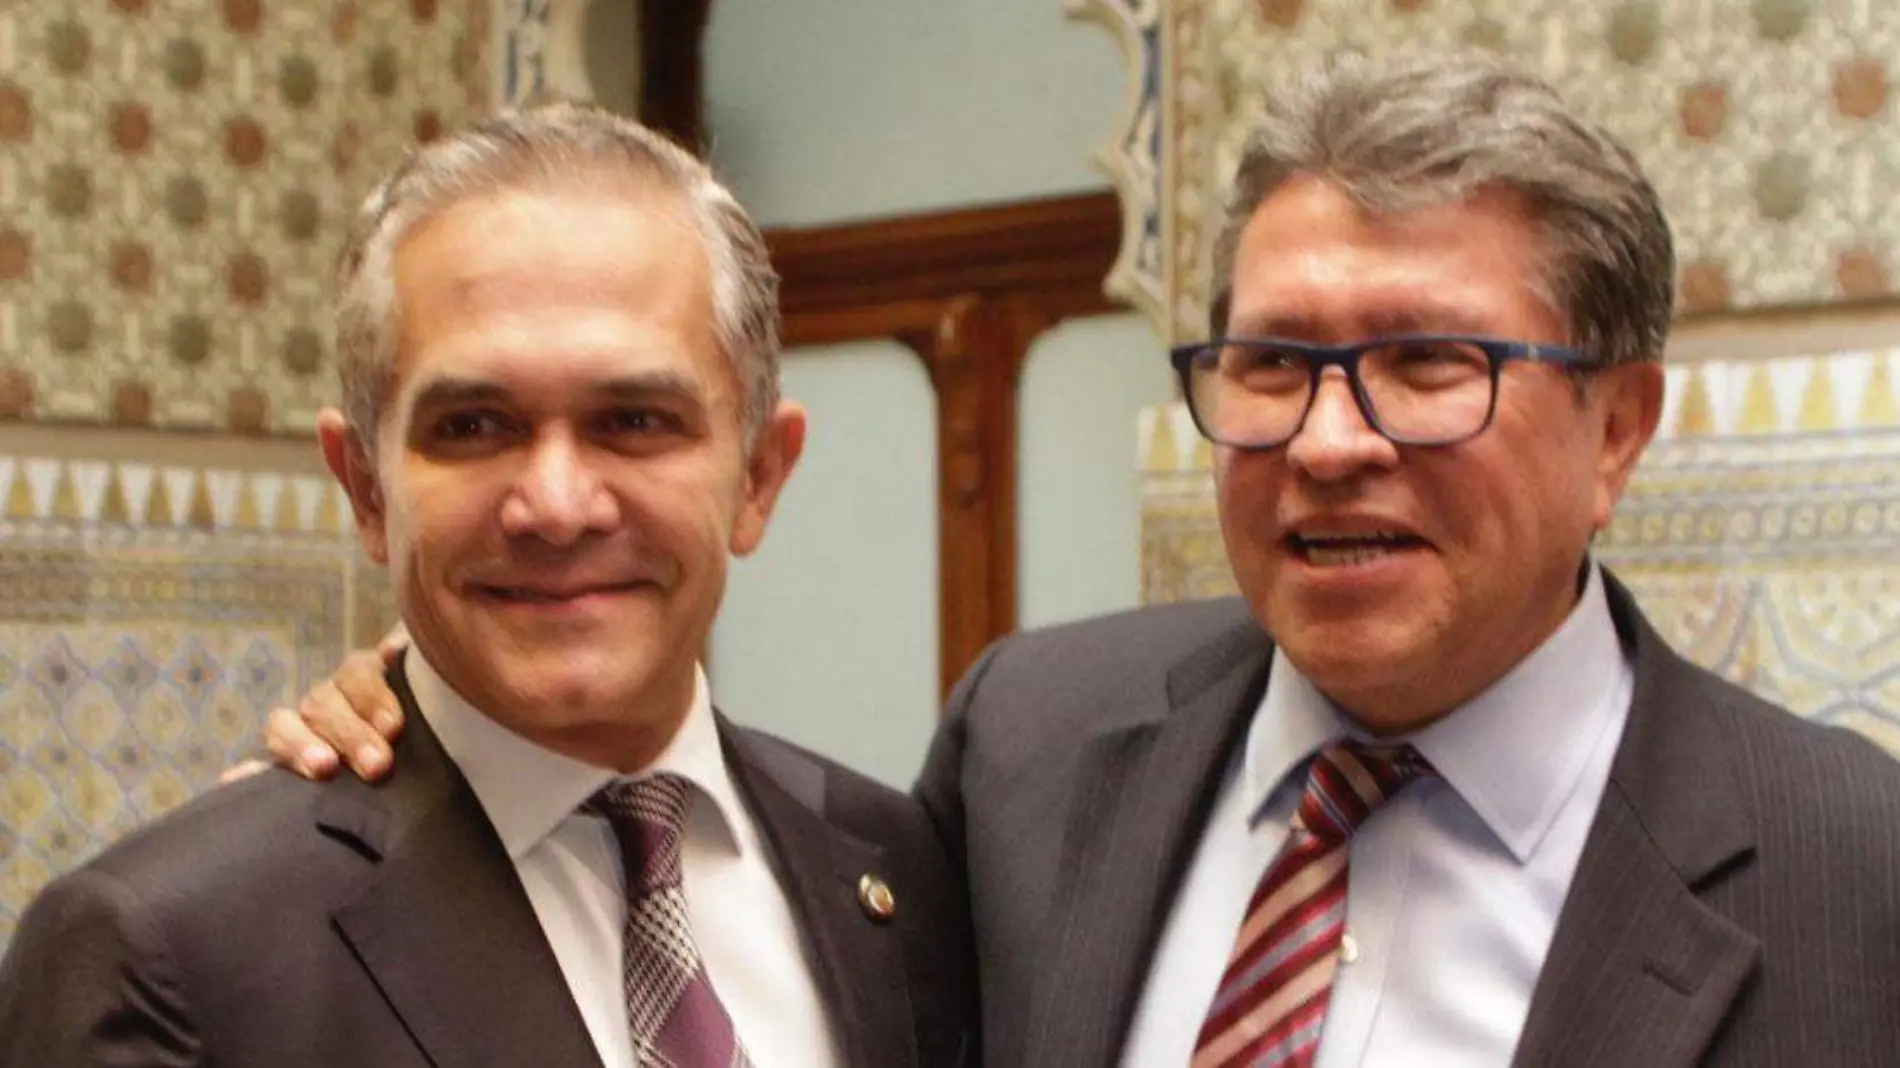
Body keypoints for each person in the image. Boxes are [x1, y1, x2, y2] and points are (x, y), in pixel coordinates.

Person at [257, 55, 1900, 1067]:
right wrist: (436, 717)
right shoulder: (1038, 743)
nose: (1330, 440)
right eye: (1272, 364)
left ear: (1618, 427)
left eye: (1426, 365)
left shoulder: (1850, 878)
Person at [0, 104, 976, 1068]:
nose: (556, 507)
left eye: (635, 421)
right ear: (366, 488)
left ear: (759, 476)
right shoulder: (172, 953)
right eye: (472, 426)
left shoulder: (904, 875)